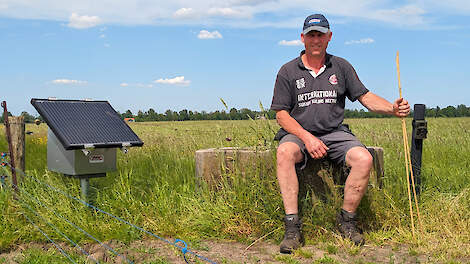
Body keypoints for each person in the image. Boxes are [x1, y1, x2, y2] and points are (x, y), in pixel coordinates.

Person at [270, 14, 410, 254]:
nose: (316, 40)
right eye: (311, 35)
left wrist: (392, 108)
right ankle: (292, 227)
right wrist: (307, 138)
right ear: (302, 38)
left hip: (335, 133)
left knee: (363, 158)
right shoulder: (288, 71)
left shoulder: (341, 66)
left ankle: (347, 220)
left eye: (321, 35)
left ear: (329, 37)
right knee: (284, 152)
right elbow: (281, 115)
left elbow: (365, 97)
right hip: (299, 134)